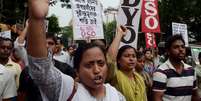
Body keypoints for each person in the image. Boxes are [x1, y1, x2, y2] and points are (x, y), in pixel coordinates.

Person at [26, 0, 126, 100]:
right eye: (88, 65)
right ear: (77, 71)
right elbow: (41, 69)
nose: (97, 70)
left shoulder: (117, 96)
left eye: (101, 63)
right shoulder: (67, 90)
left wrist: (119, 34)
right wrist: (36, 19)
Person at [152, 35, 199, 101]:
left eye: (183, 47)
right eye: (176, 47)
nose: (181, 49)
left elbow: (195, 95)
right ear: (168, 51)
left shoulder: (191, 70)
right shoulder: (161, 72)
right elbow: (157, 98)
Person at [107, 26, 147, 101]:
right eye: (126, 56)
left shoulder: (140, 78)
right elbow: (110, 60)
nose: (131, 59)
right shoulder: (115, 76)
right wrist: (119, 34)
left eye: (134, 56)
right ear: (118, 60)